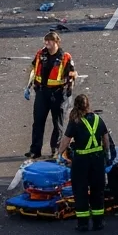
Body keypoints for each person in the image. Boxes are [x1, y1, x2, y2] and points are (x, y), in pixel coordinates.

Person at [57, 93, 114, 231]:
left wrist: (59, 154)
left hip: (81, 161)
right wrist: (106, 155)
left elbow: (66, 140)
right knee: (97, 190)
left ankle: (82, 224)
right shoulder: (98, 119)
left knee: (80, 191)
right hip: (97, 160)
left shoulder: (75, 121)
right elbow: (106, 139)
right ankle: (98, 222)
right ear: (88, 105)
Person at [25, 30, 77, 159]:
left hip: (58, 93)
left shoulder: (65, 57)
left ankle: (55, 149)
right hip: (42, 92)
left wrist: (68, 91)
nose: (46, 43)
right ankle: (35, 150)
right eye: (45, 41)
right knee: (38, 122)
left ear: (56, 42)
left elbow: (72, 74)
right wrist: (28, 86)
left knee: (57, 123)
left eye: (49, 41)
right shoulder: (40, 54)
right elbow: (33, 70)